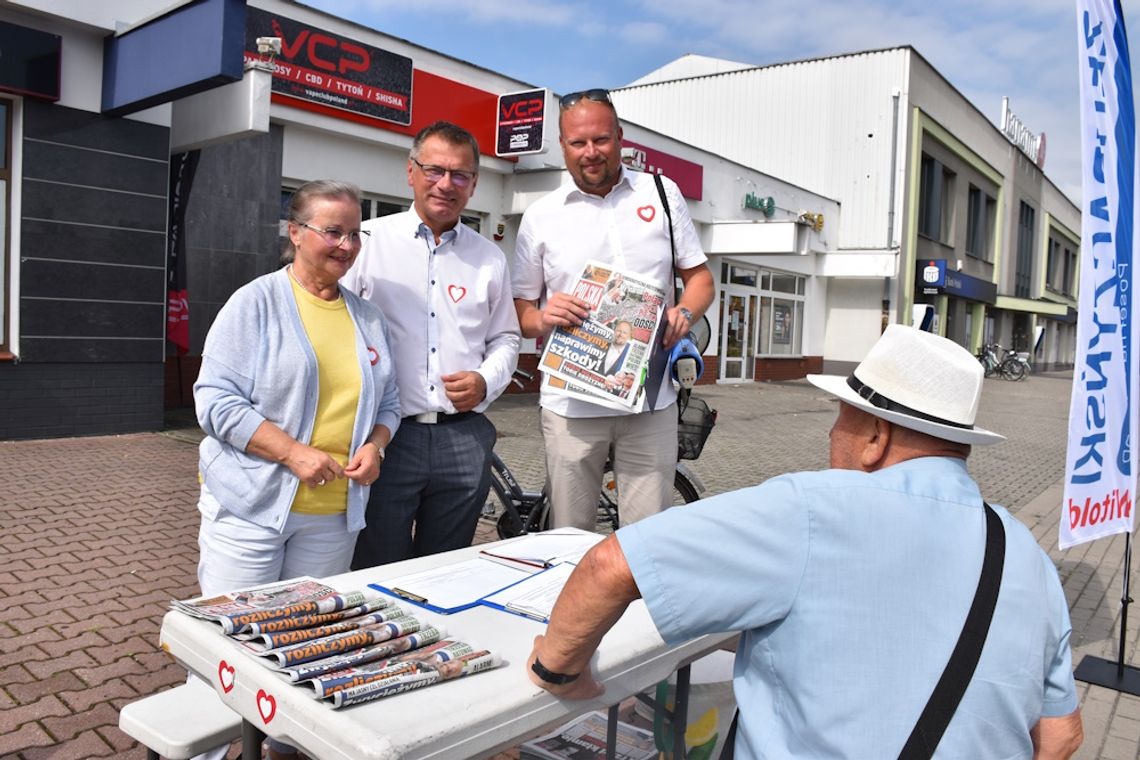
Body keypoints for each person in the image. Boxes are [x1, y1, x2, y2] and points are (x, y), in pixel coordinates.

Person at [526, 325, 1083, 759]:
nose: (830, 435)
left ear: (874, 437)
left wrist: (559, 669)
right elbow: (1060, 736)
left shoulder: (813, 511)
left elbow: (610, 565)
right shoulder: (1026, 553)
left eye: (841, 419)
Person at [193, 180, 400, 760]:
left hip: (332, 519)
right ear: (296, 232)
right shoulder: (254, 302)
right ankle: (203, 752)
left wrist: (378, 446)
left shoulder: (366, 316)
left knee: (302, 649)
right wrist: (291, 452)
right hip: (253, 510)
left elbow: (389, 404)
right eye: (332, 231)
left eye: (354, 233)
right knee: (226, 651)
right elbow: (213, 400)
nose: (346, 244)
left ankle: (280, 750)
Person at [513, 88, 714, 530]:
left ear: (620, 137)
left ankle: (639, 603)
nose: (590, 153)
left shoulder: (661, 193)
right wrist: (543, 317)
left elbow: (701, 281)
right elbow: (522, 311)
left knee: (648, 540)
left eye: (601, 140)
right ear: (562, 146)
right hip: (570, 408)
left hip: (651, 401)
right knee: (568, 537)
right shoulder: (541, 216)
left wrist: (685, 313)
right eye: (578, 143)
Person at [346, 121, 520, 568]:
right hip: (387, 437)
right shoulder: (366, 242)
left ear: (475, 184)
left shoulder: (489, 258)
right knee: (374, 562)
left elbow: (506, 336)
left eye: (460, 175)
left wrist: (486, 380)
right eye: (434, 169)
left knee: (444, 568)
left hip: (463, 438)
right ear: (411, 172)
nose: (446, 184)